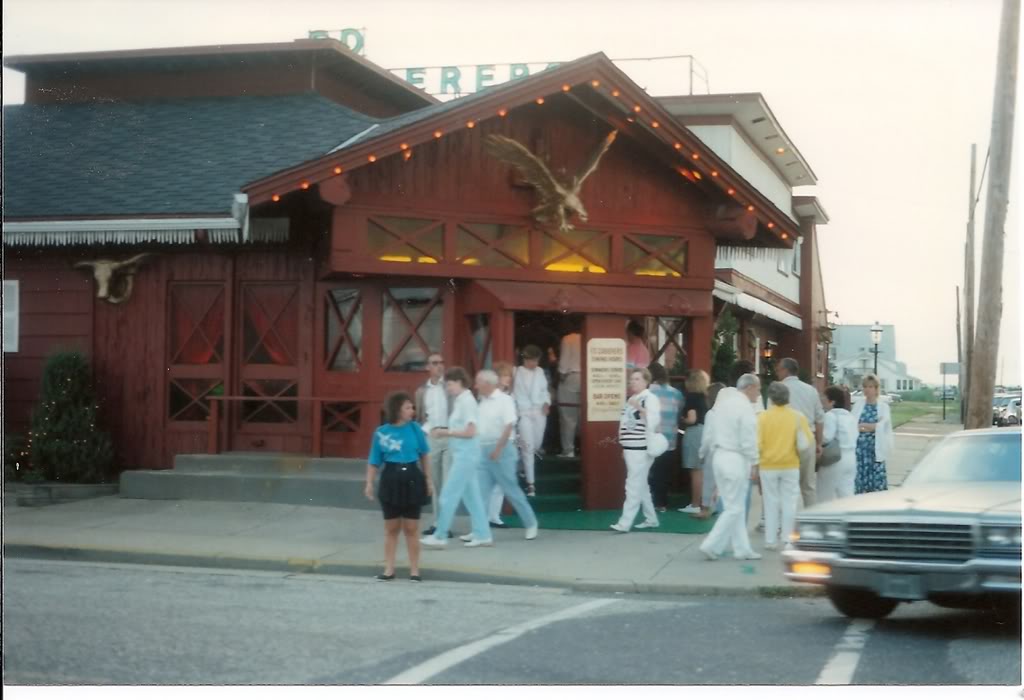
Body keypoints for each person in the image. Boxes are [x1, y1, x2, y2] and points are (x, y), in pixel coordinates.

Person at [420, 367, 493, 548]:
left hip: (465, 456)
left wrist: (445, 432)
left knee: (448, 495)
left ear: (459, 382)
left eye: (450, 384)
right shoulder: (463, 400)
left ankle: (440, 535)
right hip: (465, 454)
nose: (448, 388)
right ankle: (482, 533)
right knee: (471, 497)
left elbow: (471, 431)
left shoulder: (466, 401)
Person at [364, 391, 433, 582]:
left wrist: (428, 479)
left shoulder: (415, 429)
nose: (412, 410)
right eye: (408, 407)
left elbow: (425, 455)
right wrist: (369, 482)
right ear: (397, 410)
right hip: (391, 478)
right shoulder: (381, 432)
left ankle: (414, 570)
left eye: (412, 407)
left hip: (412, 476)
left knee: (411, 527)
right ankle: (389, 569)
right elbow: (373, 461)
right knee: (391, 527)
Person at [698, 373, 762, 560]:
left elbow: (709, 433)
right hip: (735, 458)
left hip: (719, 456)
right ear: (749, 387)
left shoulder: (722, 405)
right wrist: (755, 462)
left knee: (734, 505)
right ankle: (711, 544)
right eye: (757, 389)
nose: (758, 394)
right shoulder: (745, 408)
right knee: (734, 507)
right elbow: (748, 438)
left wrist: (705, 452)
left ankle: (742, 548)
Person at [473, 369, 540, 542]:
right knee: (481, 492)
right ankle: (479, 530)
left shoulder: (505, 400)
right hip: (484, 449)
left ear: (487, 384)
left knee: (511, 489)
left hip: (502, 450)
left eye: (478, 382)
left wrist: (498, 448)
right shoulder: (482, 402)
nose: (476, 386)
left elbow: (509, 425)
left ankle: (531, 523)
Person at [757, 382, 814, 550]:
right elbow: (805, 443)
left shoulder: (762, 417)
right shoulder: (798, 417)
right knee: (789, 502)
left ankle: (770, 539)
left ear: (771, 398)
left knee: (770, 502)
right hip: (790, 464)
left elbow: (757, 444)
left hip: (768, 465)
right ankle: (788, 539)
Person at [611, 368, 662, 532]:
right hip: (631, 447)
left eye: (637, 379)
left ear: (646, 381)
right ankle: (651, 518)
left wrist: (639, 408)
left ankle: (625, 522)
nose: (633, 382)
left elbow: (654, 421)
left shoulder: (649, 399)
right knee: (641, 485)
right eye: (632, 379)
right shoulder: (632, 399)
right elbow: (625, 425)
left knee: (633, 484)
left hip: (640, 447)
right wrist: (623, 444)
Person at [776, 357, 825, 507]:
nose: (776, 372)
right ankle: (812, 520)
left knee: (784, 486)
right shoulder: (810, 390)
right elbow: (820, 419)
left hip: (785, 441)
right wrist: (819, 443)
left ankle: (783, 522)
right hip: (807, 438)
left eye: (778, 370)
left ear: (785, 370)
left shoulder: (778, 389)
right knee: (808, 486)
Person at [416, 352, 455, 538]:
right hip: (432, 437)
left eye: (441, 362)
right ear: (427, 367)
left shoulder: (449, 387)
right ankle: (438, 523)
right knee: (435, 483)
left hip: (449, 435)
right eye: (434, 363)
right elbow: (420, 416)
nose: (439, 366)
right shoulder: (421, 391)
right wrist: (426, 430)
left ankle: (446, 525)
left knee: (448, 482)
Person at [512, 346, 549, 498]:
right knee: (528, 447)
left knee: (536, 445)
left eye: (536, 360)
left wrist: (547, 403)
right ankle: (531, 484)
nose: (534, 363)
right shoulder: (516, 371)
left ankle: (521, 467)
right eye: (531, 360)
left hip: (539, 412)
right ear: (525, 359)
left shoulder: (540, 372)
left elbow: (545, 390)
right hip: (524, 412)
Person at [646, 362, 683, 512]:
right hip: (670, 438)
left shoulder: (648, 393)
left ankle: (652, 502)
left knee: (652, 471)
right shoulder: (676, 393)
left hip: (652, 437)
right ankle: (662, 503)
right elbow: (679, 411)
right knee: (665, 472)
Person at [851, 374, 893, 494]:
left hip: (875, 449)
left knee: (876, 483)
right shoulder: (858, 405)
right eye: (865, 387)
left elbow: (882, 426)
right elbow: (853, 425)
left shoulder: (883, 407)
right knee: (860, 480)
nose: (867, 390)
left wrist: (864, 426)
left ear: (876, 389)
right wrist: (871, 427)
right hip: (860, 450)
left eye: (870, 387)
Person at [487, 361, 517, 528]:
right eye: (504, 376)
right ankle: (488, 516)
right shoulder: (494, 398)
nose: (508, 379)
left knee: (500, 483)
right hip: (497, 441)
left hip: (508, 440)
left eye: (509, 376)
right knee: (493, 481)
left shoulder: (509, 396)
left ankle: (494, 516)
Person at [691, 381, 726, 520]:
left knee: (709, 481)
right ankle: (720, 507)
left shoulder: (711, 414)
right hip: (728, 451)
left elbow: (707, 437)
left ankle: (705, 508)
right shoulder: (730, 412)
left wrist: (701, 453)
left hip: (713, 451)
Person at [678, 369, 710, 515]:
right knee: (701, 470)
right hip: (703, 432)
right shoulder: (703, 397)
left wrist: (681, 420)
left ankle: (695, 503)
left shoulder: (691, 397)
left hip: (694, 432)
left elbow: (692, 419)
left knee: (695, 471)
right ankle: (702, 502)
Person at [818, 386, 857, 502]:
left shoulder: (830, 416)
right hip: (851, 458)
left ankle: (824, 519)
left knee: (824, 494)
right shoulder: (850, 416)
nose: (821, 399)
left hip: (835, 458)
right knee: (846, 493)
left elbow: (826, 437)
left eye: (824, 397)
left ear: (832, 401)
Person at [557, 330, 582, 458]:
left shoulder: (568, 338)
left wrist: (561, 377)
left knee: (568, 415)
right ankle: (586, 447)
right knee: (586, 415)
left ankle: (569, 450)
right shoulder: (592, 335)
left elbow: (564, 364)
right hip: (590, 378)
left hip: (571, 376)